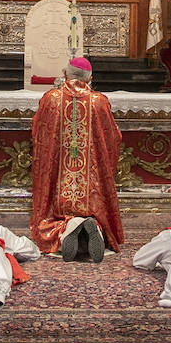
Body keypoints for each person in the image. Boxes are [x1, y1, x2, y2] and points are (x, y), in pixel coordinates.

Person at [30, 56, 123, 260]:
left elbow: (38, 132)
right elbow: (113, 138)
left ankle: (67, 230)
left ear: (65, 74)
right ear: (90, 78)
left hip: (59, 185)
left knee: (54, 213)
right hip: (91, 190)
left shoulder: (51, 98)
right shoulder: (99, 101)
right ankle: (95, 229)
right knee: (93, 208)